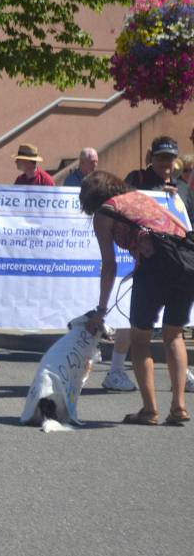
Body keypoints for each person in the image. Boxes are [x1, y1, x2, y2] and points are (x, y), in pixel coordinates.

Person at [81, 171, 191, 426]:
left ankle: (150, 410)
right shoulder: (140, 198)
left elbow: (108, 266)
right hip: (186, 268)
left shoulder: (104, 213)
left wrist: (101, 309)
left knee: (140, 339)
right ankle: (178, 407)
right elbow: (181, 230)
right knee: (174, 335)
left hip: (154, 271)